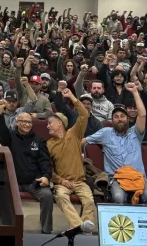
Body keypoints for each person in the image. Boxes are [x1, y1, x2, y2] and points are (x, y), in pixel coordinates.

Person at [84, 83, 147, 204]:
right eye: (116, 117)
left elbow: (143, 114)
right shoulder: (105, 133)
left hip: (139, 178)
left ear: (128, 119)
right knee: (118, 197)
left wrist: (135, 92)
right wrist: (79, 153)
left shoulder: (136, 132)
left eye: (122, 116)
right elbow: (83, 141)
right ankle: (121, 223)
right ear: (112, 121)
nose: (119, 119)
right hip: (117, 178)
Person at [0, 99, 54, 233]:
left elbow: (45, 161)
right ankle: (4, 229)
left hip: (33, 182)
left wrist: (46, 177)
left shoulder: (39, 140)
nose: (27, 124)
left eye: (29, 122)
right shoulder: (10, 137)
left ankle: (46, 231)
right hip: (13, 181)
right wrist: (0, 113)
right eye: (23, 122)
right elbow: (1, 131)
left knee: (47, 196)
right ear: (17, 122)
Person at [45, 88, 97, 232]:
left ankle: (85, 229)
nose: (47, 126)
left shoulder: (74, 134)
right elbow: (48, 169)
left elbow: (84, 115)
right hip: (63, 183)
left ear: (60, 123)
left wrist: (72, 97)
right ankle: (79, 227)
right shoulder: (48, 144)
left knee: (89, 201)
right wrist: (61, 181)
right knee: (61, 197)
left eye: (50, 123)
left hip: (80, 181)